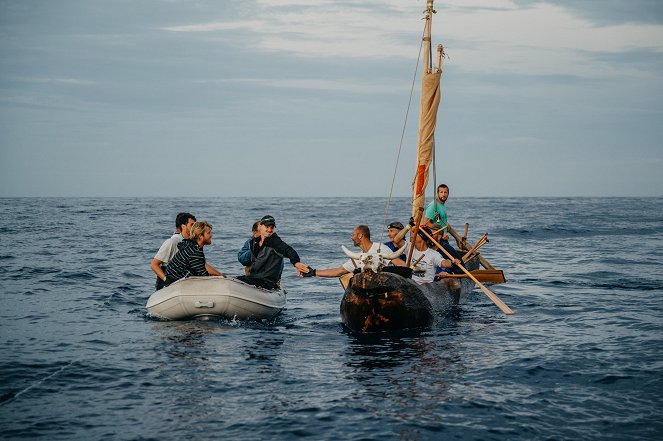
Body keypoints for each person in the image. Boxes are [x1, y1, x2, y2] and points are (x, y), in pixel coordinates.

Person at [236, 215, 310, 290]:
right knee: (234, 279)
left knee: (238, 282)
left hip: (267, 282)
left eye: (272, 227)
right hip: (253, 278)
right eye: (267, 227)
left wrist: (296, 263)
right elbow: (243, 259)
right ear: (260, 226)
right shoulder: (253, 242)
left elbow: (289, 251)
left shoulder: (275, 242)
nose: (269, 229)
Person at [300, 225, 385, 278]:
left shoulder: (381, 248)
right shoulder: (356, 258)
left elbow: (398, 264)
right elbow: (339, 271)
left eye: (353, 235)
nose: (351, 238)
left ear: (360, 236)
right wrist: (313, 272)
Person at [392, 226, 460, 285]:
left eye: (415, 233)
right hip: (411, 284)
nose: (412, 235)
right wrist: (409, 225)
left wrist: (452, 262)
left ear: (422, 238)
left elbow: (444, 263)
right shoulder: (409, 247)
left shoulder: (433, 254)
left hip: (426, 287)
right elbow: (396, 240)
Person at [164, 221, 225, 286]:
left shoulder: (191, 245)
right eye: (208, 233)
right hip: (174, 283)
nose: (211, 235)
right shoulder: (194, 251)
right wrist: (220, 280)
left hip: (174, 280)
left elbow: (202, 266)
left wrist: (220, 275)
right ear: (200, 236)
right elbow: (203, 276)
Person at [150, 212, 196, 290]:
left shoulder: (191, 243)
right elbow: (154, 265)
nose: (195, 228)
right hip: (166, 285)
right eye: (192, 225)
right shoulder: (172, 242)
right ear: (183, 226)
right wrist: (166, 280)